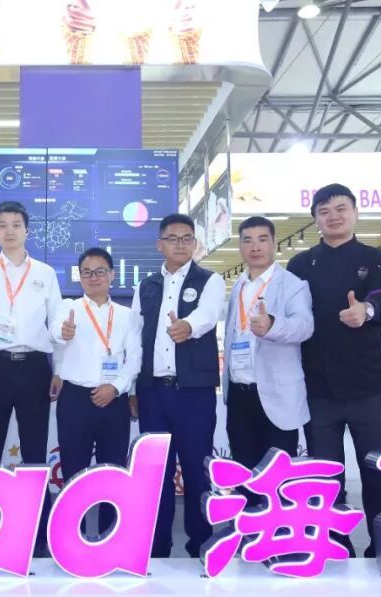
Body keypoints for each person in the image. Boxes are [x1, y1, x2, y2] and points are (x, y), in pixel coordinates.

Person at [287, 183, 381, 558]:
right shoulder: (300, 265)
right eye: (324, 211)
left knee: (377, 471)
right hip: (318, 390)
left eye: (340, 209)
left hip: (369, 389)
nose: (333, 216)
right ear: (315, 220)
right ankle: (334, 545)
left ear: (355, 213)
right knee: (324, 475)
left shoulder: (374, 258)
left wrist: (366, 311)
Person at [0, 201, 62, 556]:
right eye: (2, 225)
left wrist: (58, 369)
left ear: (26, 230)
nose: (9, 231)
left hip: (34, 366)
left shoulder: (45, 273)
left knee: (35, 451)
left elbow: (57, 322)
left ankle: (37, 533)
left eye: (16, 225)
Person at [133, 213, 226, 558]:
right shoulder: (146, 286)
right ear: (160, 244)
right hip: (153, 392)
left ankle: (200, 543)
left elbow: (209, 314)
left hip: (194, 394)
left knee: (197, 470)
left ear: (195, 244)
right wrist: (132, 387)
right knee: (155, 471)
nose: (180, 244)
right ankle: (157, 544)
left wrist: (187, 325)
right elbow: (135, 337)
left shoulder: (210, 280)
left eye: (187, 238)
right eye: (172, 238)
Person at [50, 247, 141, 538]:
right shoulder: (68, 308)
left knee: (112, 472)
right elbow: (56, 331)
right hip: (75, 400)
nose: (93, 277)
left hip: (113, 401)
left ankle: (110, 537)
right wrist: (63, 332)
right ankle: (69, 538)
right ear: (80, 277)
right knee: (73, 472)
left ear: (112, 275)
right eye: (87, 272)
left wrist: (116, 387)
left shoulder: (127, 316)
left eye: (100, 271)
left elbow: (135, 358)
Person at [220, 217, 313, 486]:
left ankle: (278, 516)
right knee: (244, 471)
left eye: (262, 239)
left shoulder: (293, 284)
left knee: (277, 478)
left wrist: (272, 325)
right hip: (239, 395)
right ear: (240, 246)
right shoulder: (238, 286)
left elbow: (305, 326)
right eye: (247, 240)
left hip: (276, 394)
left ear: (274, 244)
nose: (255, 247)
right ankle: (249, 514)